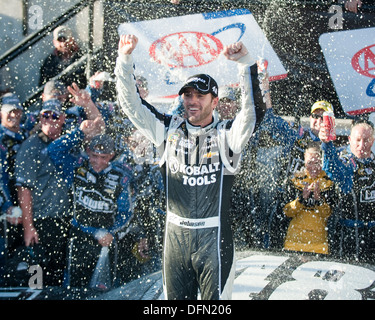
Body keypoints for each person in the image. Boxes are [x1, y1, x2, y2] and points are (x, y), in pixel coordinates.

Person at [115, 34, 258, 300]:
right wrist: (124, 60)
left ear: (215, 101)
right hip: (175, 238)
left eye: (200, 96)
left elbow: (251, 114)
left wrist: (245, 64)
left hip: (214, 240)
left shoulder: (228, 134)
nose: (192, 101)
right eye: (188, 95)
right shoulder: (167, 129)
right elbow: (131, 106)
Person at [47, 130, 136, 289]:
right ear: (88, 152)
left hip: (106, 241)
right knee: (74, 288)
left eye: (103, 157)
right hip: (80, 236)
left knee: (106, 291)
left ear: (112, 156)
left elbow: (127, 213)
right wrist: (80, 133)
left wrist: (112, 232)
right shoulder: (77, 167)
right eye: (94, 156)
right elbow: (53, 150)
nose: (98, 162)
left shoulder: (121, 177)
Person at [14, 99, 71, 286]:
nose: (49, 119)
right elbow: (23, 189)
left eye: (54, 116)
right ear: (39, 118)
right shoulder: (31, 146)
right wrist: (29, 226)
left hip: (64, 219)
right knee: (36, 278)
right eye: (44, 115)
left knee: (57, 275)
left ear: (62, 118)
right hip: (41, 220)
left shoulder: (68, 143)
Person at [320, 119, 375, 262]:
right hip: (349, 236)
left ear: (373, 141)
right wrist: (326, 144)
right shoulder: (346, 165)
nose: (361, 145)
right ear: (350, 140)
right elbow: (331, 167)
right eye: (357, 140)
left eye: (366, 140)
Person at [282, 142, 337, 255]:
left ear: (322, 162)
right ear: (304, 159)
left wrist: (318, 200)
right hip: (293, 242)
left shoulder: (328, 183)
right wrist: (301, 199)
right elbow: (287, 212)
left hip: (319, 244)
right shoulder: (295, 180)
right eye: (309, 163)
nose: (313, 167)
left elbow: (328, 214)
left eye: (316, 163)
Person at [0, 93, 29, 255]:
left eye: (17, 111)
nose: (13, 115)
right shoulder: (1, 139)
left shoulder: (26, 133)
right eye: (9, 111)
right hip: (8, 209)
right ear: (1, 113)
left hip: (26, 202)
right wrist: (7, 206)